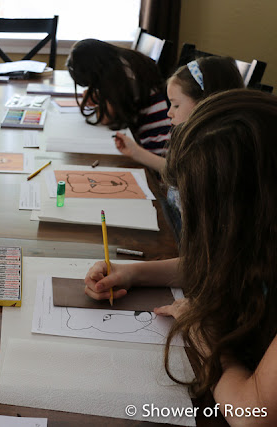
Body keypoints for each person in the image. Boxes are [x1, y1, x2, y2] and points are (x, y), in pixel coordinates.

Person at [84, 89, 277, 424]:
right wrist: (132, 273)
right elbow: (222, 264)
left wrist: (204, 335)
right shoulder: (262, 238)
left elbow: (252, 414)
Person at [113, 56, 244, 172]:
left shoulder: (215, 153)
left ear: (204, 103)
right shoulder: (193, 139)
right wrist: (135, 152)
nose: (169, 113)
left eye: (176, 105)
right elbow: (175, 172)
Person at [66, 38, 171, 155]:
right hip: (156, 140)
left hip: (153, 149)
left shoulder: (118, 76)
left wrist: (99, 100)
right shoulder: (124, 61)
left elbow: (106, 118)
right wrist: (99, 97)